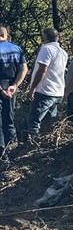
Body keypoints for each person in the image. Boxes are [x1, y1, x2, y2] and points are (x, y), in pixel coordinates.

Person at [26, 28, 68, 139]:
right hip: (57, 92)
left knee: (34, 120)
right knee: (49, 123)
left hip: (45, 91)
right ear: (57, 38)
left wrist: (32, 89)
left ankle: (32, 146)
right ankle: (48, 145)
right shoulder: (63, 53)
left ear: (44, 37)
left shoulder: (47, 49)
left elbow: (42, 70)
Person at [0, 26, 28, 160]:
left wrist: (1, 90)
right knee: (9, 119)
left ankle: (2, 156)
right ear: (6, 35)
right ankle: (13, 151)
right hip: (12, 86)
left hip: (1, 86)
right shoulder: (17, 49)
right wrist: (14, 86)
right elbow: (24, 69)